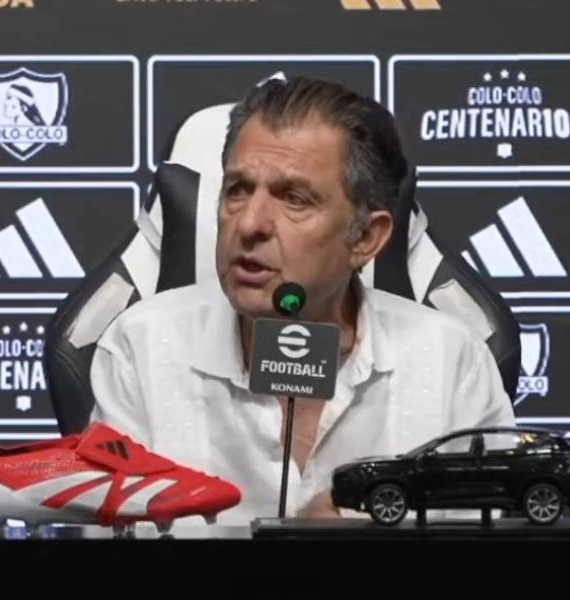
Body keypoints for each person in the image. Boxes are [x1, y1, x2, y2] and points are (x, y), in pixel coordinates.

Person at [89, 76, 515, 524]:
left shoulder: (450, 361)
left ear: (365, 238)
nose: (249, 224)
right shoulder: (140, 348)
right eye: (237, 190)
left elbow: (490, 549)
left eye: (294, 199)